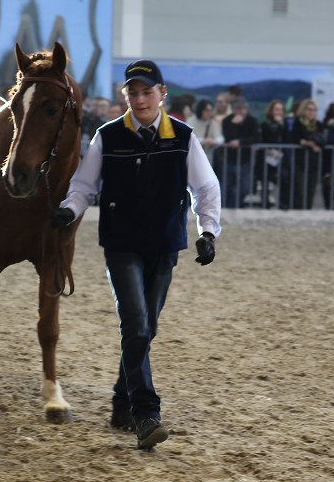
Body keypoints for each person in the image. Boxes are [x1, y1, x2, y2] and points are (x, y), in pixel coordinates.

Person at [48, 59, 221, 449]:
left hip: (164, 246)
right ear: (124, 96)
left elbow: (206, 188)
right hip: (122, 245)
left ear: (162, 94)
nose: (140, 98)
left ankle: (121, 398)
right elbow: (83, 186)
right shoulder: (107, 137)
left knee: (144, 331)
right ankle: (146, 413)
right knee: (138, 326)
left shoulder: (182, 136)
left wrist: (208, 232)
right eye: (133, 92)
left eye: (147, 91)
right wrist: (68, 211)